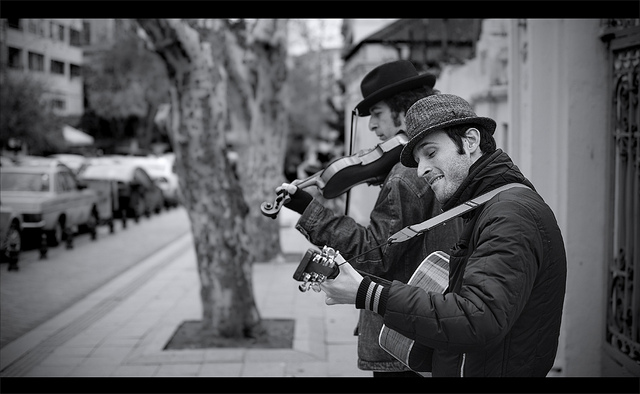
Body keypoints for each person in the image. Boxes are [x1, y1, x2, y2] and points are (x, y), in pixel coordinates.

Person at [320, 93, 567, 377]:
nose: (422, 169)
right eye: (418, 159)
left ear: (471, 141)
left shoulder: (511, 215)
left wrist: (368, 293)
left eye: (431, 153)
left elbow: (477, 318)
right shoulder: (489, 206)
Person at [276, 60, 462, 377]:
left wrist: (308, 209)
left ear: (404, 112)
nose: (372, 127)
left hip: (403, 340)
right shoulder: (432, 163)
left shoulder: (406, 174)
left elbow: (375, 253)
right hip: (424, 323)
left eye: (377, 114)